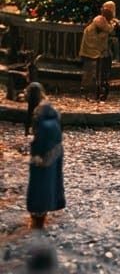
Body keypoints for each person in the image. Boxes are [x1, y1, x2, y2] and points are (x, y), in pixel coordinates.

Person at [25, 85, 65, 231]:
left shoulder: (41, 114)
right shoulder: (50, 111)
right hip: (54, 151)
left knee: (40, 186)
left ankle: (38, 218)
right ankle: (41, 213)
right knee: (49, 183)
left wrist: (37, 157)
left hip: (43, 154)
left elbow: (43, 135)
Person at [78, 9, 113, 99]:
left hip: (95, 49)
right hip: (91, 49)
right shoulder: (100, 20)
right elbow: (109, 29)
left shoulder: (102, 20)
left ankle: (95, 87)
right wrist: (114, 24)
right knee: (90, 69)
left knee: (95, 68)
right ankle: (86, 89)